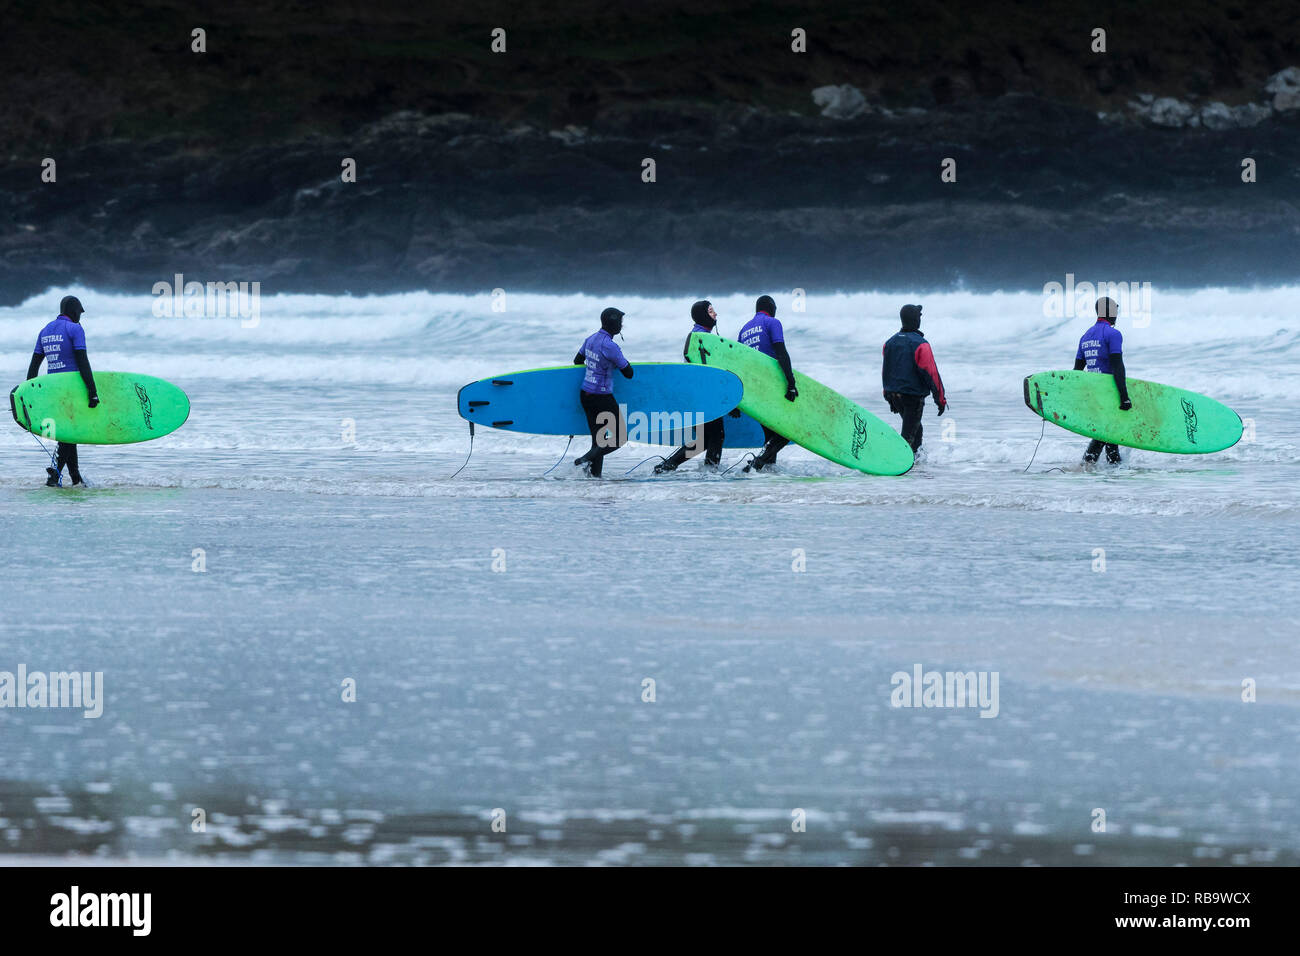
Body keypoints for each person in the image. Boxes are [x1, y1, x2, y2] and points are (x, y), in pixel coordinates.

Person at [655, 299, 739, 473]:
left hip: (695, 396)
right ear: (702, 315)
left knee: (703, 440)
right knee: (716, 435)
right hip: (703, 397)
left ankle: (666, 467)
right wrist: (727, 401)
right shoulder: (700, 339)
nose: (715, 314)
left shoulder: (701, 337)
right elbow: (710, 374)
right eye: (710, 311)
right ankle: (710, 473)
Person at [28, 295, 98, 487]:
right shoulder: (75, 329)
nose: (80, 317)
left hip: (53, 388)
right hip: (72, 388)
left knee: (69, 433)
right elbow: (82, 361)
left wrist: (30, 392)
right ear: (74, 311)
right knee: (69, 433)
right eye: (79, 313)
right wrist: (92, 391)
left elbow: (34, 366)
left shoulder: (45, 330)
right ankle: (54, 474)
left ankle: (75, 478)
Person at [738, 294, 797, 472]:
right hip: (769, 385)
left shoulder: (744, 329)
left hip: (752, 389)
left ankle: (767, 473)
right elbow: (781, 352)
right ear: (771, 308)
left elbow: (740, 363)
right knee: (786, 431)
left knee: (770, 433)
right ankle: (757, 464)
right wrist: (791, 382)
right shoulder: (773, 322)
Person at [572, 307, 633, 477]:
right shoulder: (611, 346)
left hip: (585, 394)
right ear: (614, 324)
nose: (621, 325)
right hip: (602, 397)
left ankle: (594, 479)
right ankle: (584, 460)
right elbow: (629, 373)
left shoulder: (590, 339)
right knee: (620, 438)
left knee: (598, 441)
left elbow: (577, 360)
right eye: (620, 322)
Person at [882, 303, 947, 454]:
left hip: (894, 395)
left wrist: (888, 394)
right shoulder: (921, 345)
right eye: (919, 316)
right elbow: (932, 374)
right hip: (912, 397)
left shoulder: (890, 342)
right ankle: (896, 463)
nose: (920, 318)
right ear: (916, 320)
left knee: (916, 431)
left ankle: (916, 465)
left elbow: (886, 370)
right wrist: (940, 399)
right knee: (908, 438)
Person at [1075, 296, 1131, 465]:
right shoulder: (1113, 334)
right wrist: (1124, 396)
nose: (1117, 315)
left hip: (1094, 394)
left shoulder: (1085, 337)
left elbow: (1077, 372)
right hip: (1109, 393)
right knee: (1107, 434)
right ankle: (1094, 467)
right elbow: (1117, 367)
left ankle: (1096, 469)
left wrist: (1076, 398)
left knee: (1106, 434)